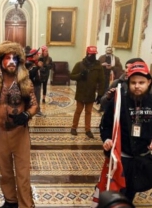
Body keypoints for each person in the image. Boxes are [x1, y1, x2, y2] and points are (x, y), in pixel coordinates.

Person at [0, 39, 38, 208]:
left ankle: (26, 204)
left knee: (23, 173)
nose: (11, 61)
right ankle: (11, 201)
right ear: (1, 61)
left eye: (14, 58)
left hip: (20, 134)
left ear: (19, 61)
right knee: (5, 172)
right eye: (7, 58)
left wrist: (27, 114)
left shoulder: (25, 82)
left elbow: (35, 105)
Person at [100, 61, 152, 202]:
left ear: (149, 82)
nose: (137, 86)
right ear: (128, 83)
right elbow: (106, 125)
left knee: (131, 191)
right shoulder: (118, 102)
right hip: (121, 159)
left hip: (142, 158)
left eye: (141, 82)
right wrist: (106, 139)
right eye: (133, 82)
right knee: (117, 193)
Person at [70, 46, 105, 138]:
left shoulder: (98, 67)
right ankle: (74, 128)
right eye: (90, 54)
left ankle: (88, 130)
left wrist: (100, 94)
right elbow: (72, 76)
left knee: (88, 112)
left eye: (94, 54)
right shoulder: (79, 64)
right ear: (87, 54)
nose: (92, 56)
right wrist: (80, 75)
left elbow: (102, 81)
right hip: (81, 92)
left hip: (91, 93)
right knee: (78, 111)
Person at [28, 48, 45, 117]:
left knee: (38, 98)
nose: (38, 56)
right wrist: (37, 67)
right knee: (32, 99)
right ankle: (32, 111)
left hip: (38, 83)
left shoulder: (36, 62)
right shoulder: (29, 63)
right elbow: (31, 74)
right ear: (34, 55)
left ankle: (37, 111)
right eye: (37, 55)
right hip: (33, 84)